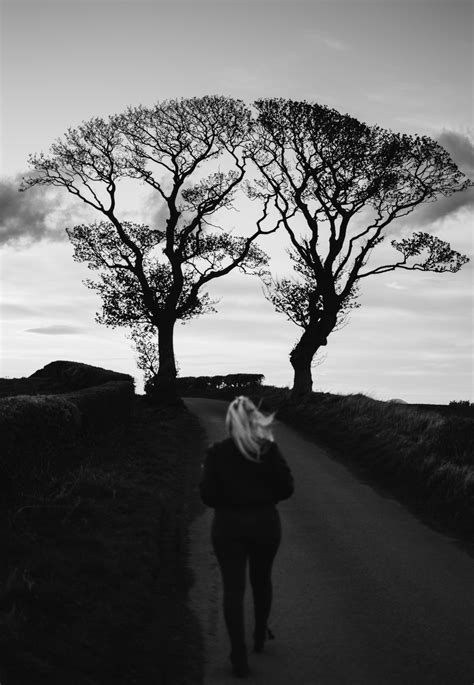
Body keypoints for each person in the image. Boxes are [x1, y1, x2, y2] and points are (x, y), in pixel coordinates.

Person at [199, 395, 294, 678]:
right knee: (262, 580)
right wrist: (265, 498)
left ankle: (238, 655)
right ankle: (259, 636)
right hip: (265, 524)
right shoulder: (268, 450)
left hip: (228, 527)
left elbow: (207, 496)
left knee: (233, 589)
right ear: (254, 421)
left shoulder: (216, 453)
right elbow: (287, 488)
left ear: (230, 424)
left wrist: (229, 501)